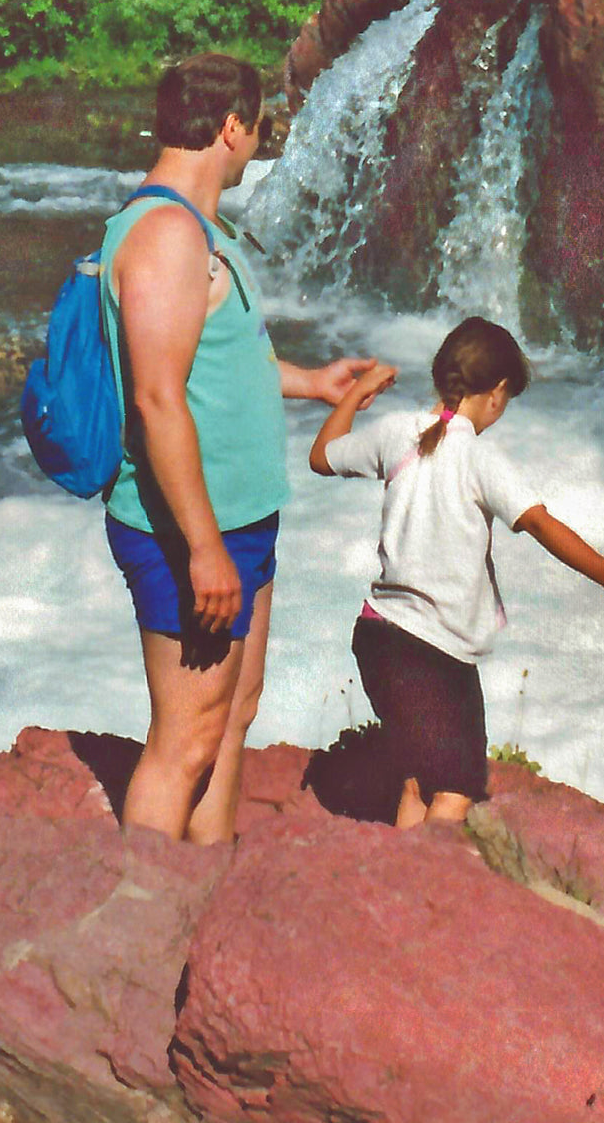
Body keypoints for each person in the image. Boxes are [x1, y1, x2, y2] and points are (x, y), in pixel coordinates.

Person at [101, 51, 375, 845]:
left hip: (239, 519)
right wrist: (205, 548)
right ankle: (139, 928)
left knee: (232, 718)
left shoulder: (201, 232)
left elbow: (218, 364)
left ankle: (204, 888)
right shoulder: (162, 237)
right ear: (230, 127)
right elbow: (156, 400)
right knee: (184, 741)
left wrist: (314, 382)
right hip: (188, 531)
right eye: (257, 129)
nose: (257, 144)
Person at [309, 315, 604, 829]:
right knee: (454, 793)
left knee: (418, 778)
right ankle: (426, 893)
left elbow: (322, 457)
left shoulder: (394, 433)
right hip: (436, 653)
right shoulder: (478, 458)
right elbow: (541, 524)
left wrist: (356, 394)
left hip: (382, 637)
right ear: (495, 394)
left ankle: (399, 881)